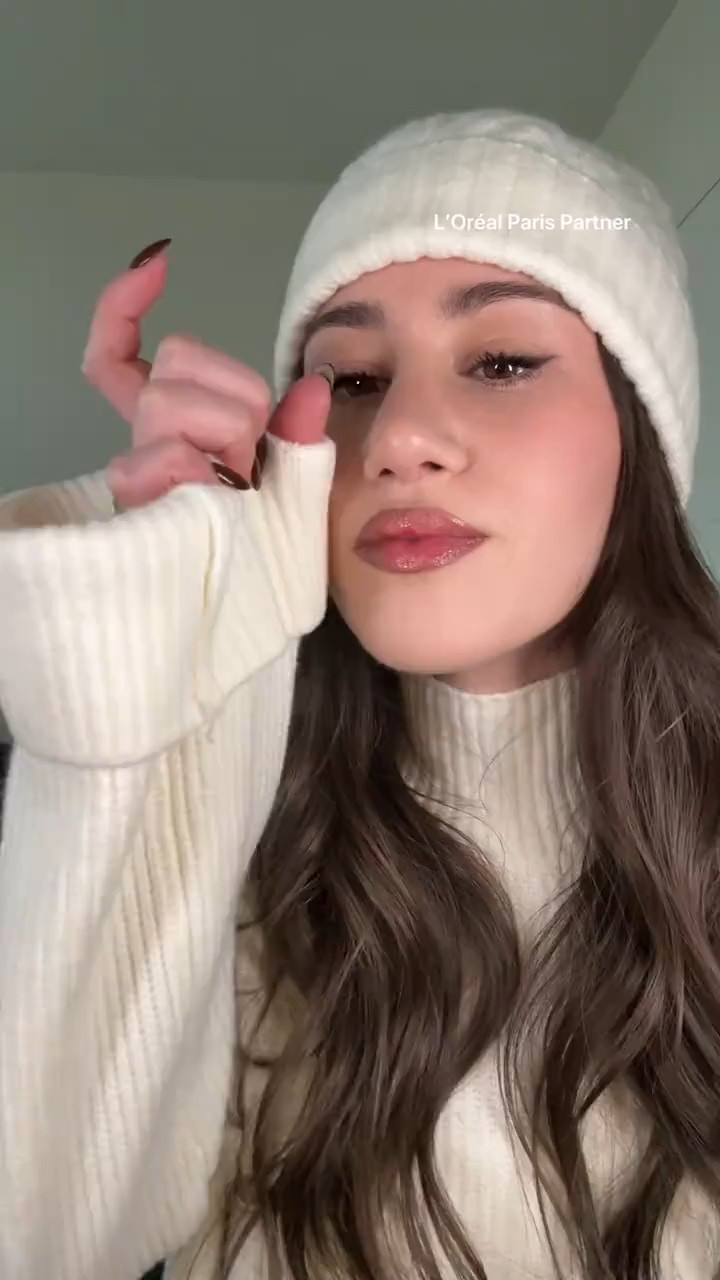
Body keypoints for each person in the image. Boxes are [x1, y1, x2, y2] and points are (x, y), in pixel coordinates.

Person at [0, 106, 718, 1280]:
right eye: (351, 378)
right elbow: (43, 1234)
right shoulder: (246, 830)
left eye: (502, 360)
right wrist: (144, 675)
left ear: (639, 436)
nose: (398, 436)